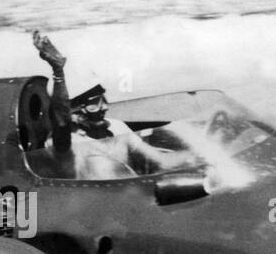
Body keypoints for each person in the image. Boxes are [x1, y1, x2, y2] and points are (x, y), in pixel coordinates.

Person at [32, 31, 191, 180]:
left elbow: (161, 161)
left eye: (103, 99)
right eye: (94, 103)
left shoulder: (115, 127)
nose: (104, 108)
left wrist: (202, 154)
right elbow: (61, 120)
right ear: (74, 111)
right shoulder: (66, 144)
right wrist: (58, 73)